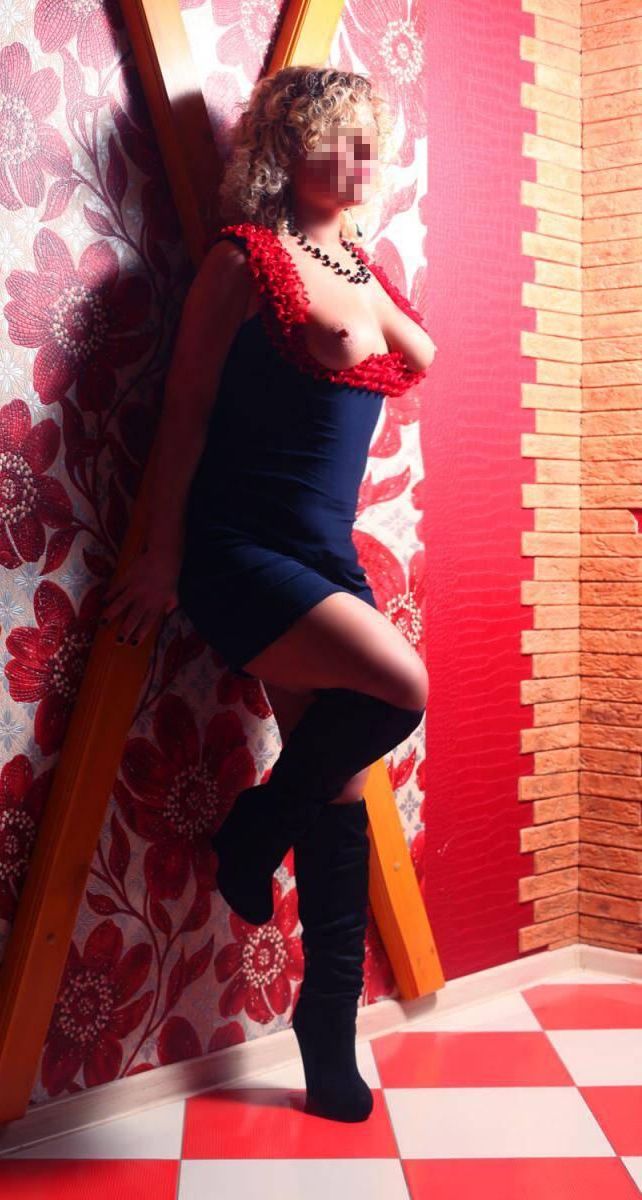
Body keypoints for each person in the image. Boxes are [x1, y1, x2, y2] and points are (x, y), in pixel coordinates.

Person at [99, 65, 436, 1123]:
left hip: (324, 554)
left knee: (338, 790)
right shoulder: (242, 262)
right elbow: (185, 414)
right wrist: (160, 559)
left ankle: (324, 1033)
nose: (360, 158)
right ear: (284, 149)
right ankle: (251, 833)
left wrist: (357, 254)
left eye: (369, 140)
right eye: (336, 137)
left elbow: (415, 352)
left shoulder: (356, 264)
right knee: (401, 687)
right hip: (241, 549)